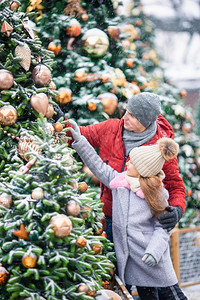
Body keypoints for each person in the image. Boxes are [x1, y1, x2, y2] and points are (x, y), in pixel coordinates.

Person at [69, 120, 188, 300]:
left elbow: (162, 228)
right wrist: (79, 140)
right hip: (131, 259)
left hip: (150, 257)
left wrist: (153, 252)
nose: (128, 164)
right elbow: (97, 165)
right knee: (144, 295)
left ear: (142, 170)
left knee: (171, 295)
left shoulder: (156, 194)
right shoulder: (119, 183)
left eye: (132, 163)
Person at [64, 92, 186, 240]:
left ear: (145, 121)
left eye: (132, 115)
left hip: (140, 226)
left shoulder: (160, 149)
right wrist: (56, 116)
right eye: (126, 111)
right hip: (109, 217)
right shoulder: (112, 129)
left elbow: (175, 185)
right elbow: (80, 135)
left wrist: (177, 209)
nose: (124, 118)